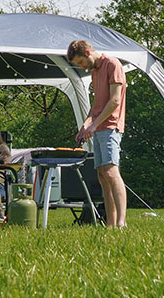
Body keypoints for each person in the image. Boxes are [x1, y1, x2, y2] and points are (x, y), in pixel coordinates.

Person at [67, 40, 128, 229]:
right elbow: (96, 106)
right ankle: (110, 224)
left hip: (111, 126)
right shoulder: (94, 72)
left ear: (87, 52)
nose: (81, 67)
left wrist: (94, 126)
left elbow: (114, 101)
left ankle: (121, 222)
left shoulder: (113, 64)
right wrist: (85, 125)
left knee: (111, 171)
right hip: (99, 127)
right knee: (102, 175)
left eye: (80, 62)